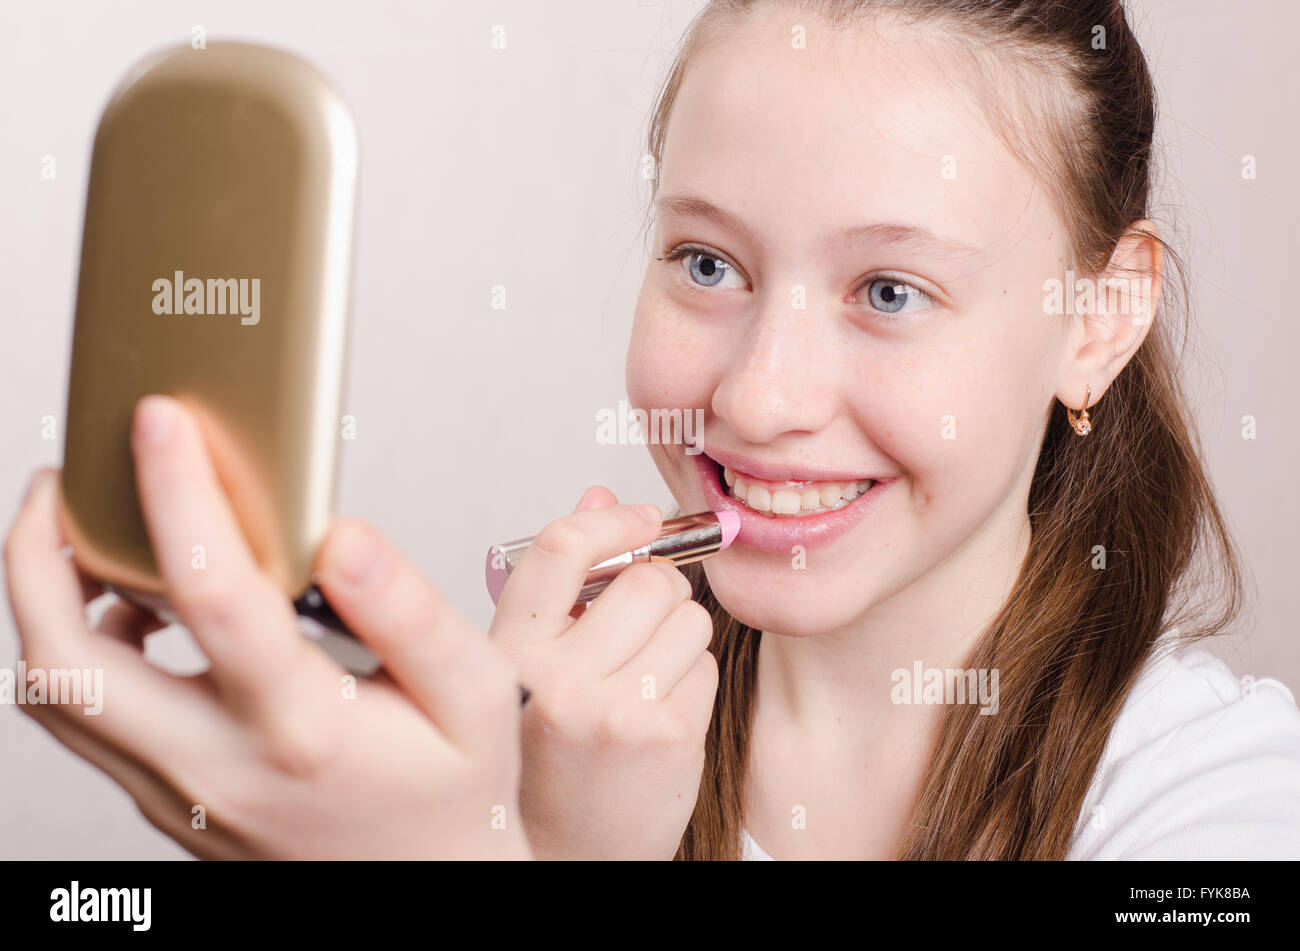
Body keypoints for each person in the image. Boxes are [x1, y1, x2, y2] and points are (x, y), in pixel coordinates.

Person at [8, 0, 1300, 860]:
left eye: (889, 292)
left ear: (1098, 318)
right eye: (706, 263)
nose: (752, 397)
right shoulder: (538, 739)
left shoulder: (1227, 806)